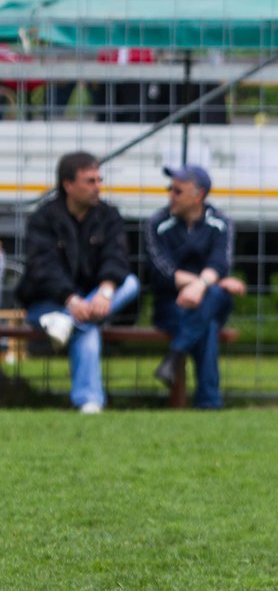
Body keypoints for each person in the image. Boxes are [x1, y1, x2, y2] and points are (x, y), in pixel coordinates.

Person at [17, 150, 140, 413]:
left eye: (99, 179)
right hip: (48, 303)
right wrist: (71, 300)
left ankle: (68, 325)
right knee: (89, 328)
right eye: (90, 181)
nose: (98, 187)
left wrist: (105, 292)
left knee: (129, 283)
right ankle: (89, 401)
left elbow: (116, 258)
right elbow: (43, 269)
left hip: (92, 302)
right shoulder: (44, 219)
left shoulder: (109, 217)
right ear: (68, 185)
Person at [144, 165, 244, 410]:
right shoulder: (156, 224)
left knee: (213, 299)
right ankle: (209, 402)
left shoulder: (221, 223)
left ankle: (174, 356)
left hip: (210, 300)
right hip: (171, 305)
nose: (171, 196)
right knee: (207, 322)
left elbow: (220, 261)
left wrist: (201, 286)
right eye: (170, 189)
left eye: (178, 191)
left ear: (198, 196)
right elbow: (163, 272)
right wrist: (206, 283)